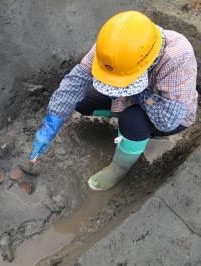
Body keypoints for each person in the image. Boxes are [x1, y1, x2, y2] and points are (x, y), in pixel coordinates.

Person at [29, 11, 198, 191]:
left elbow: (167, 120)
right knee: (81, 99)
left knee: (132, 120)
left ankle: (120, 167)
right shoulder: (113, 47)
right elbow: (76, 80)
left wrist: (135, 91)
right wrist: (51, 122)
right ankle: (123, 119)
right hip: (133, 97)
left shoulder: (178, 57)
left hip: (170, 114)